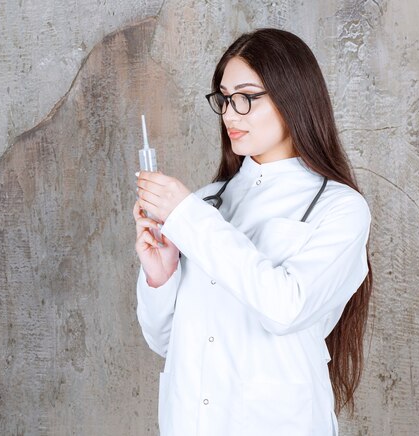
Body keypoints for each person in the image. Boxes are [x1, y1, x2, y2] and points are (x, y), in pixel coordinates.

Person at [133, 28, 372, 436]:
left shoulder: (341, 208)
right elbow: (166, 341)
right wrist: (162, 277)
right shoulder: (208, 203)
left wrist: (187, 216)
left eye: (245, 97)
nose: (229, 113)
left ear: (292, 97)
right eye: (224, 99)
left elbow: (286, 308)